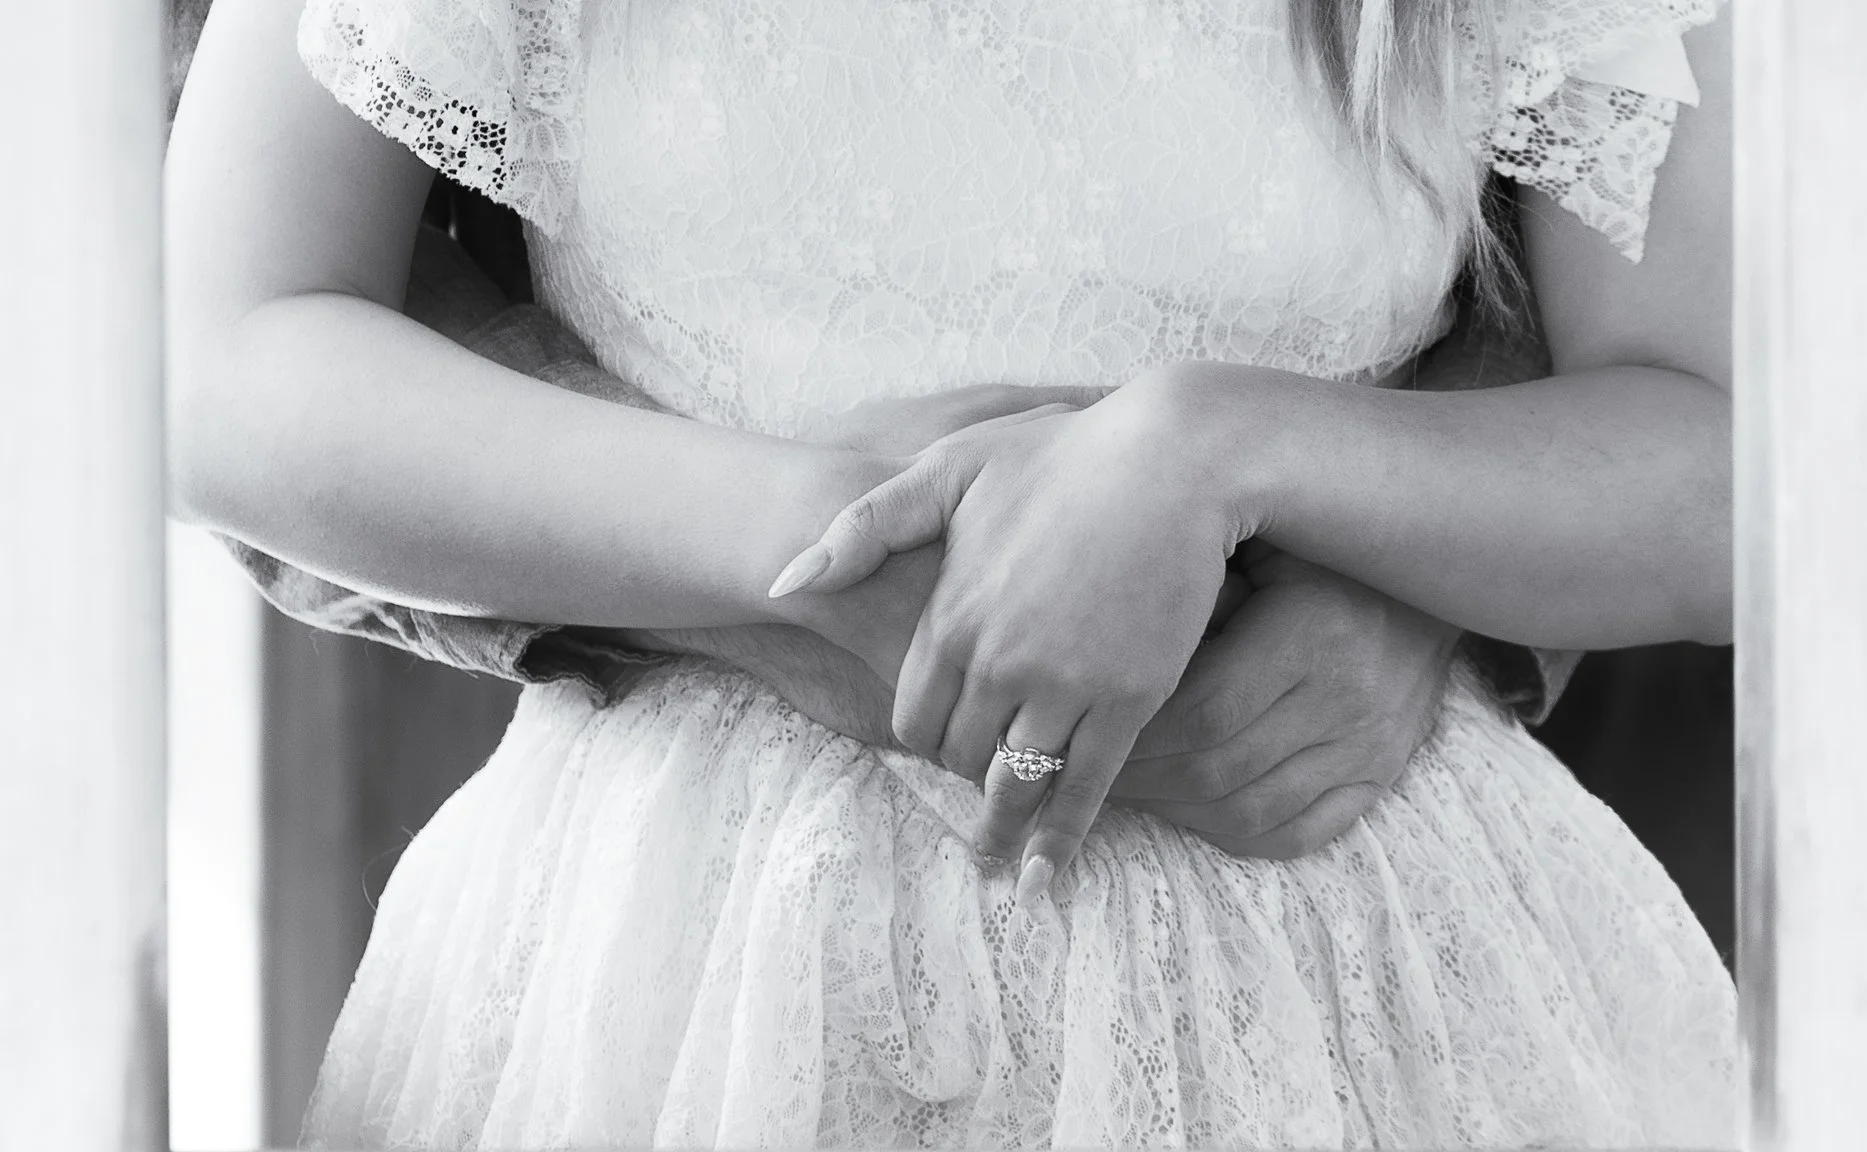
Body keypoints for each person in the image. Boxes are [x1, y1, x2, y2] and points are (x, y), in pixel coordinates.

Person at [165, 0, 1736, 1145]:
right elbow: (216, 358)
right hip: (684, 982)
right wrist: (807, 553)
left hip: (1358, 961)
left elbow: (1723, 456)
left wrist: (1232, 451)